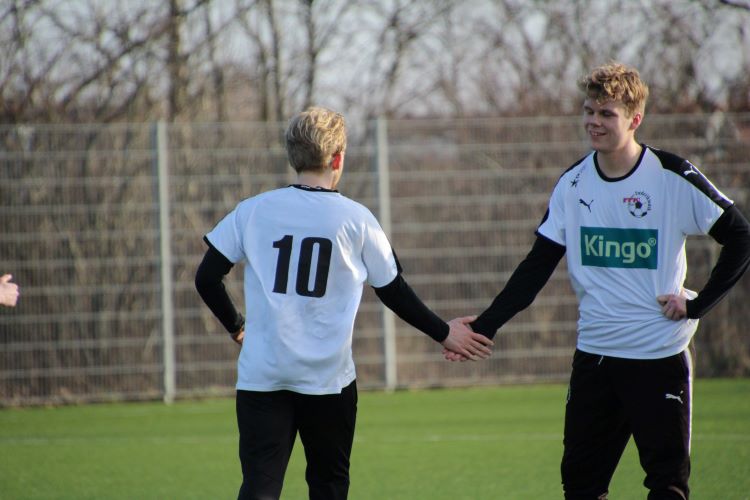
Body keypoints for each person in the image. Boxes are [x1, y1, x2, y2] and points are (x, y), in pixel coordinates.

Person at [448, 63, 750, 499]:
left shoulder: (671, 176)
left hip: (658, 357)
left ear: (634, 119)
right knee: (580, 486)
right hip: (596, 358)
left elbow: (740, 236)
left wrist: (697, 305)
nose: (594, 121)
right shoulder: (572, 184)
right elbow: (536, 268)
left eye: (606, 113)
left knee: (667, 486)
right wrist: (485, 326)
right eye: (589, 111)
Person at [195, 106, 494, 500]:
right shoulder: (357, 219)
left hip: (263, 378)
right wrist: (444, 332)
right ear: (337, 159)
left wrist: (237, 327)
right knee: (329, 487)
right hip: (328, 382)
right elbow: (393, 290)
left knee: (259, 488)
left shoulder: (252, 210)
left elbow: (206, 278)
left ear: (293, 156)